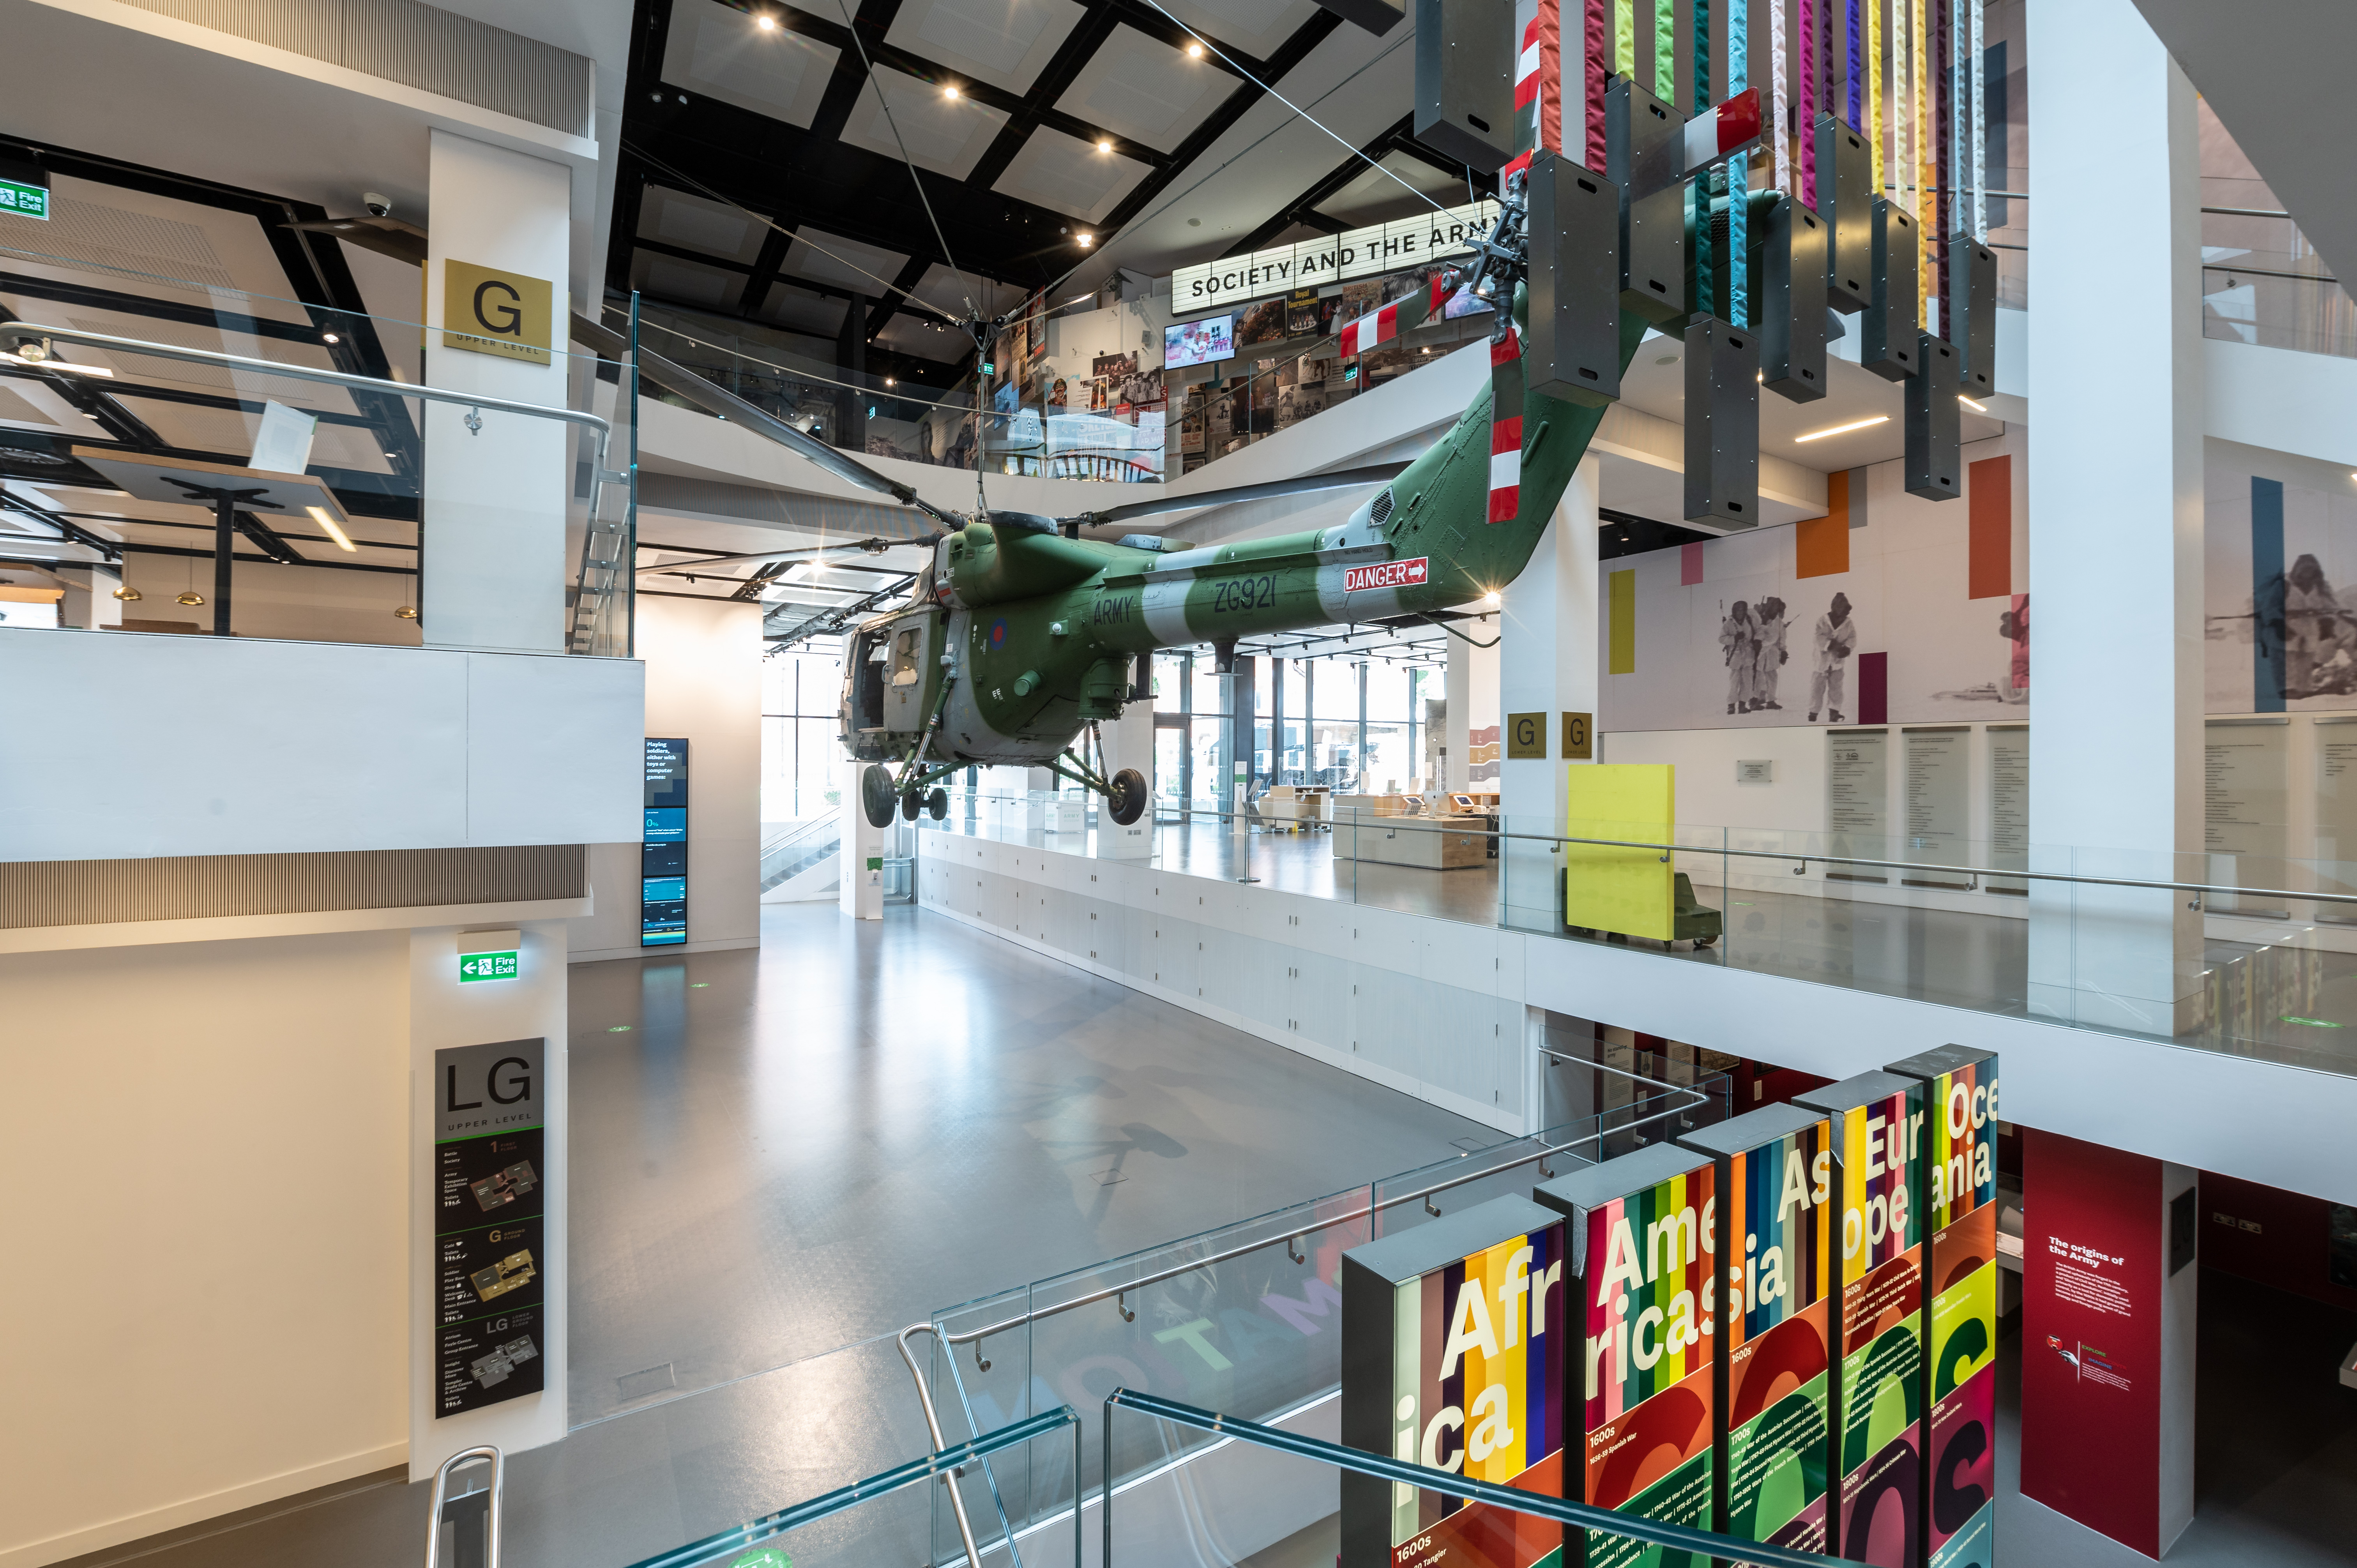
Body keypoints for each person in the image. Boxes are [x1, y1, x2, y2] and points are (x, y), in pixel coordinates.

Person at [2285, 554, 2343, 699]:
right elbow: (2271, 607)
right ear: (2298, 570)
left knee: (2308, 657)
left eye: (2311, 570)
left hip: (2311, 626)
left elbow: (2331, 607)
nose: (2308, 573)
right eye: (2305, 570)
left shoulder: (2322, 586)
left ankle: (2305, 688)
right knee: (2289, 656)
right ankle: (2288, 688)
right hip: (2289, 624)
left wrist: (2327, 624)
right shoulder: (2285, 585)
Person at [1808, 592, 1859, 723]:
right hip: (1821, 661)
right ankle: (1813, 713)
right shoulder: (1823, 621)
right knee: (1817, 688)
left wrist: (1847, 648)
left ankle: (1834, 713)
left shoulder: (1848, 623)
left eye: (1847, 610)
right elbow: (1818, 638)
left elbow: (1853, 638)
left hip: (1837, 662)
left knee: (1836, 688)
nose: (1845, 613)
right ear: (1835, 607)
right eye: (1842, 608)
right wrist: (1830, 645)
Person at [1750, 597, 1790, 711]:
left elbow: (1782, 640)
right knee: (1757, 677)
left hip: (1772, 654)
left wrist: (1783, 652)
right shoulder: (1758, 619)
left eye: (1779, 609)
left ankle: (1771, 702)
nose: (1777, 611)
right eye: (1775, 608)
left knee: (1773, 677)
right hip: (1759, 653)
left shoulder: (1779, 624)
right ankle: (1754, 701)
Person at [1719, 600, 1756, 715]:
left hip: (1748, 656)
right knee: (1734, 683)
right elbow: (1722, 639)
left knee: (1748, 682)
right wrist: (1734, 639)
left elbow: (1754, 636)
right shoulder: (1728, 624)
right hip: (1735, 656)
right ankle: (1731, 706)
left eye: (1743, 610)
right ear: (1734, 611)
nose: (1740, 612)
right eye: (1738, 610)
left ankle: (1742, 705)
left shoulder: (1749, 622)